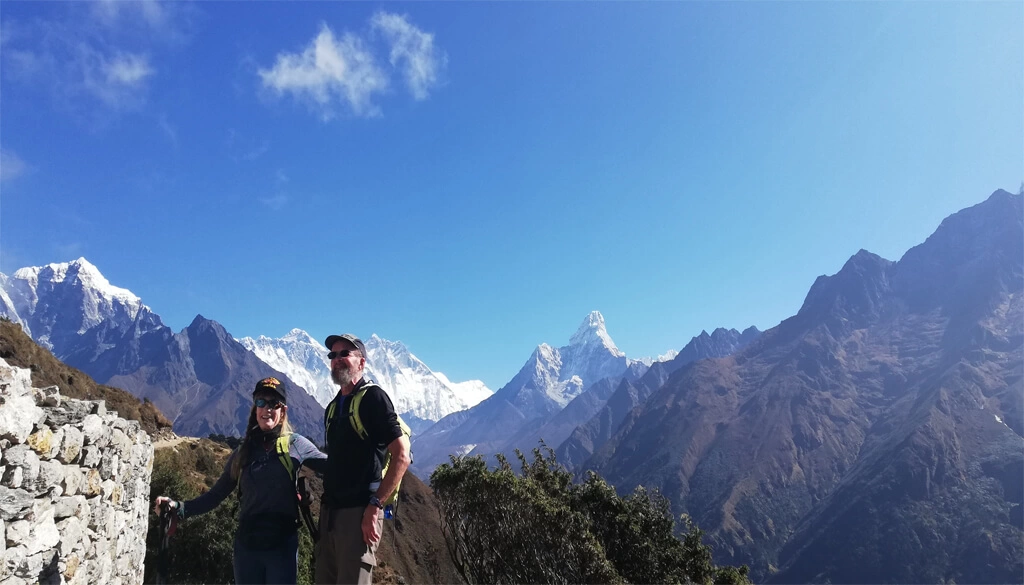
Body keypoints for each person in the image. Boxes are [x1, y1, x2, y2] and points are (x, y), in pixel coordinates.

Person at [153, 377, 326, 585]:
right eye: (261, 402)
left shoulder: (296, 444)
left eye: (274, 404)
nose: (267, 409)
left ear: (283, 411)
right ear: (255, 409)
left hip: (281, 549)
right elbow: (215, 496)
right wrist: (178, 507)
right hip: (247, 549)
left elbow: (332, 468)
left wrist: (372, 483)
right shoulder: (242, 454)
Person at [317, 333, 412, 585]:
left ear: (361, 362)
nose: (337, 359)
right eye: (333, 355)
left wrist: (375, 505)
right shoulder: (332, 407)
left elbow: (402, 456)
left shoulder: (373, 398)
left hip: (358, 515)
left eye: (344, 353)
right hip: (330, 515)